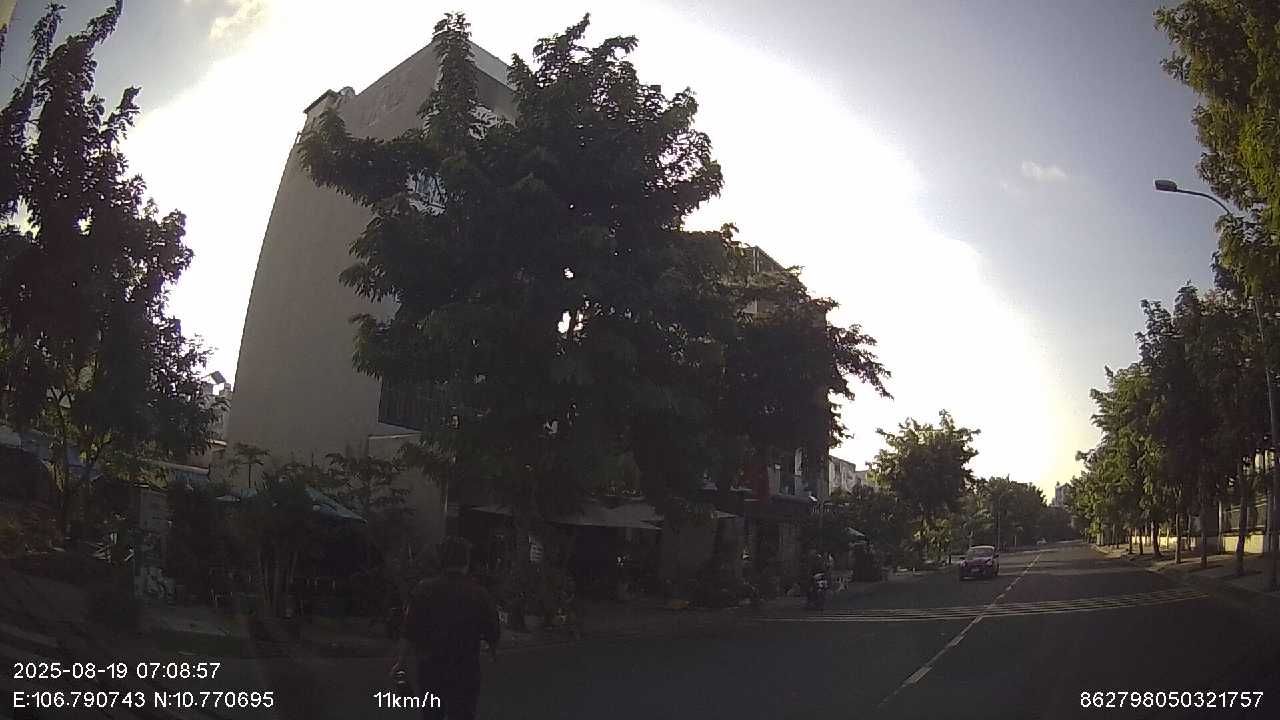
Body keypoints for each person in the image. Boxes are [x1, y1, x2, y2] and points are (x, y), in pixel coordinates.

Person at [392, 537, 500, 720]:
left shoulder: (424, 589)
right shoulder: (478, 593)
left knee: (432, 714)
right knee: (463, 714)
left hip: (430, 667)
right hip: (465, 667)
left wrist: (400, 662)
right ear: (466, 561)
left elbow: (409, 629)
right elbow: (492, 628)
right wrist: (492, 650)